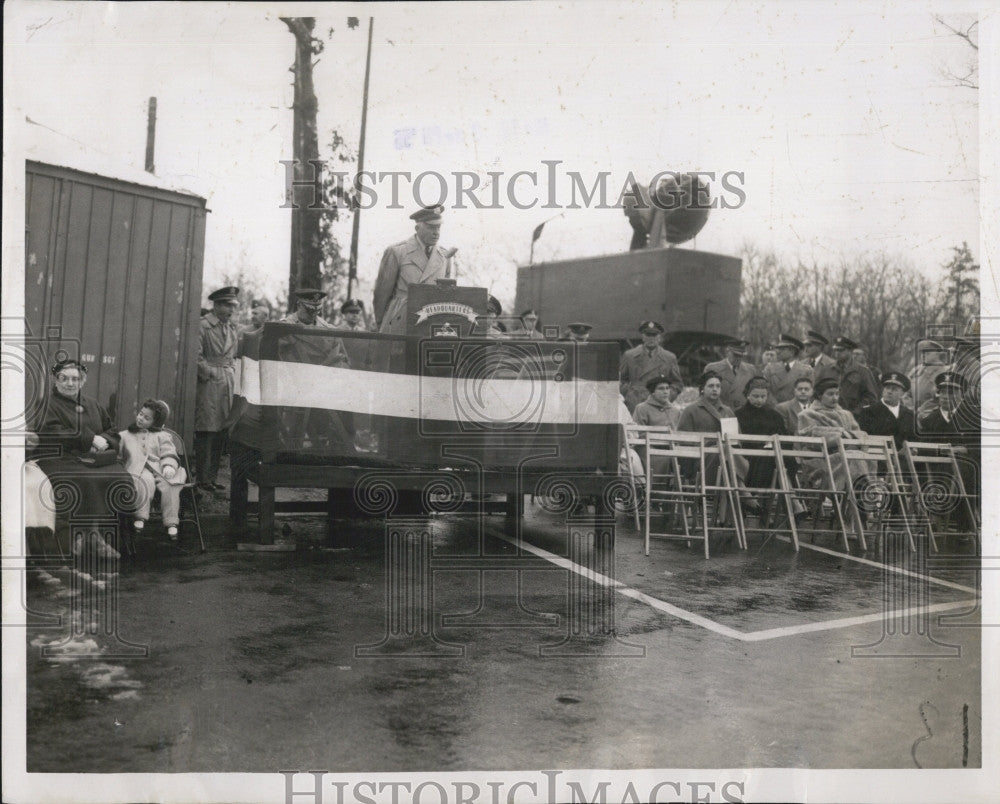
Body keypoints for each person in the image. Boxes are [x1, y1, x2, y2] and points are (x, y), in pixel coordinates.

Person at [279, 288, 353, 452]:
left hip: (325, 387)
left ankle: (334, 448)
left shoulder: (329, 329)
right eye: (309, 309)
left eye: (318, 309)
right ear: (299, 304)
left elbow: (343, 358)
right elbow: (276, 360)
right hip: (295, 386)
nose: (314, 313)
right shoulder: (283, 328)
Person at [373, 205, 449, 334]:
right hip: (400, 321)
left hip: (430, 323)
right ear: (417, 228)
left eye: (438, 227)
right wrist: (382, 325)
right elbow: (381, 295)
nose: (436, 232)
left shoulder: (444, 256)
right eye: (431, 227)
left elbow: (445, 293)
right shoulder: (397, 251)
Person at [118, 399, 186, 541]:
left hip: (161, 468)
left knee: (171, 485)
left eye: (146, 418)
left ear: (155, 423)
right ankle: (140, 516)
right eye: (141, 414)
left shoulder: (163, 436)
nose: (141, 418)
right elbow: (118, 454)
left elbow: (169, 452)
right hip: (137, 468)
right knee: (144, 481)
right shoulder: (125, 435)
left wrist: (169, 465)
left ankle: (171, 521)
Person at [194, 286, 240, 495]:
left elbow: (232, 356)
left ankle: (212, 478)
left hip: (227, 383)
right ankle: (202, 478)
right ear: (217, 305)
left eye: (233, 306)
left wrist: (229, 372)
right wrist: (211, 374)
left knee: (221, 430)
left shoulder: (231, 328)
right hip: (210, 384)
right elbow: (196, 356)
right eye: (228, 305)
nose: (231, 310)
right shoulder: (203, 326)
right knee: (207, 431)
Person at [735, 376, 803, 516]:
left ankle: (790, 505)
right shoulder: (738, 415)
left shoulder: (774, 415)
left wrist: (774, 441)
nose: (759, 400)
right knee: (777, 463)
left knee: (782, 461)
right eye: (755, 396)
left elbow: (783, 438)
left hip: (771, 457)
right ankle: (793, 503)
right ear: (747, 395)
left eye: (763, 396)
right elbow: (735, 442)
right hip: (748, 460)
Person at [796, 377, 873, 494]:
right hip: (821, 463)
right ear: (819, 395)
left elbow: (861, 434)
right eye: (830, 394)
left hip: (847, 459)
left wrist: (846, 435)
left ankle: (859, 496)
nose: (835, 398)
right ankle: (864, 493)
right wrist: (841, 434)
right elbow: (811, 439)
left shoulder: (846, 414)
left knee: (857, 457)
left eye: (837, 394)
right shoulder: (808, 415)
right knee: (855, 457)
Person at [619, 320, 683, 414]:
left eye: (654, 335)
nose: (651, 338)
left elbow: (677, 384)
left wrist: (666, 397)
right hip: (635, 404)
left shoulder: (669, 358)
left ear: (660, 337)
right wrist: (629, 395)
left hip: (659, 405)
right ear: (643, 337)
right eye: (648, 335)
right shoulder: (630, 356)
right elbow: (620, 380)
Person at [813, 336, 880, 417]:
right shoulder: (826, 370)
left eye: (841, 350)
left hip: (854, 418)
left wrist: (855, 412)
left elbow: (871, 397)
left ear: (850, 351)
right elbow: (815, 393)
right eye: (835, 350)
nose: (837, 353)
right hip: (828, 417)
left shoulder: (862, 371)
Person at [856, 371, 916, 451]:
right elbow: (864, 440)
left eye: (894, 389)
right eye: (887, 388)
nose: (889, 392)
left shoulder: (909, 415)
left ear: (902, 394)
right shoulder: (869, 412)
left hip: (903, 460)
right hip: (877, 458)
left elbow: (913, 440)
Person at [703, 339, 757, 411]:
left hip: (744, 415)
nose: (738, 358)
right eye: (736, 355)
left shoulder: (751, 370)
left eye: (741, 355)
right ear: (727, 351)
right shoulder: (712, 369)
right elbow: (704, 395)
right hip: (720, 414)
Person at [763, 333, 812, 404]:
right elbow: (765, 390)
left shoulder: (807, 371)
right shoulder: (769, 369)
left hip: (795, 412)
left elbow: (808, 395)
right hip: (773, 409)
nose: (778, 352)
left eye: (782, 349)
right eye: (778, 349)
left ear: (792, 351)